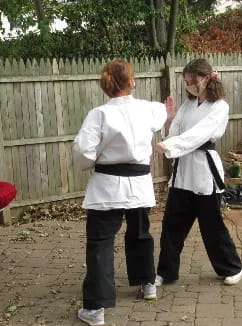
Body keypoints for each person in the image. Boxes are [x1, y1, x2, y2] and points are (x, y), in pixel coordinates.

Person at [74, 58, 176, 326]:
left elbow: (84, 153)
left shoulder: (99, 114)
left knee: (101, 243)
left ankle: (96, 309)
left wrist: (91, 163)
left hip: (107, 187)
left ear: (105, 84)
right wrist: (168, 113)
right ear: (132, 81)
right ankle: (148, 283)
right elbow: (163, 113)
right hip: (139, 186)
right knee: (140, 233)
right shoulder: (147, 110)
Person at [155, 58, 242, 287]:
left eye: (191, 81)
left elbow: (199, 135)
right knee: (171, 226)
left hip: (205, 172)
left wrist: (172, 146)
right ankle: (166, 272)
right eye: (186, 82)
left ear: (204, 79)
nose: (188, 86)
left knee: (212, 227)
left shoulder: (220, 107)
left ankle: (233, 268)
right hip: (183, 173)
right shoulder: (187, 106)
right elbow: (172, 133)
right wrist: (169, 120)